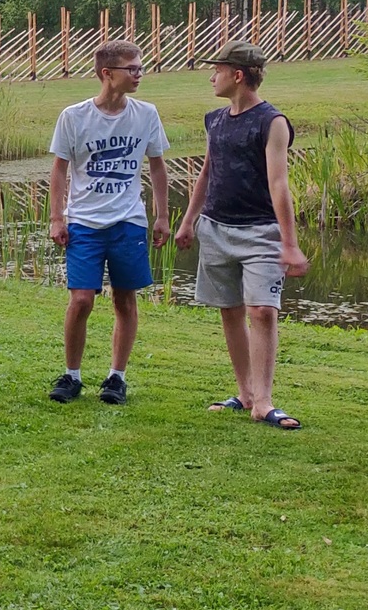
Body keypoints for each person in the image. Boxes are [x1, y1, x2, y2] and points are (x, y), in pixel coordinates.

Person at [173, 42, 310, 429]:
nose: (211, 77)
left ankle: (264, 402)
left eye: (216, 70)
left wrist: (289, 244)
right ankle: (246, 394)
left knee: (262, 311)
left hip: (261, 231)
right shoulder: (214, 120)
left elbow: (279, 184)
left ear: (238, 75)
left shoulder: (272, 122)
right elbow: (207, 173)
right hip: (216, 228)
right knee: (230, 310)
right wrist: (188, 221)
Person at [46, 39, 171, 405]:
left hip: (128, 221)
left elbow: (157, 166)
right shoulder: (74, 117)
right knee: (81, 300)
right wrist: (57, 217)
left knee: (125, 300)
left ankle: (117, 377)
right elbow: (59, 170)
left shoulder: (146, 114)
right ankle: (72, 376)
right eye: (132, 69)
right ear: (107, 73)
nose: (139, 74)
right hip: (84, 223)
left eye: (140, 68)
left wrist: (162, 216)